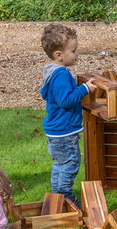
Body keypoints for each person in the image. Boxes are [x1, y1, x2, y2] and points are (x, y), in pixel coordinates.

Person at [40, 23, 97, 208]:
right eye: (73, 51)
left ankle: (56, 199)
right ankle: (66, 197)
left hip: (56, 132)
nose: (76, 54)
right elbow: (66, 100)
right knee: (70, 165)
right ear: (59, 55)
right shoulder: (61, 75)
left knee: (59, 165)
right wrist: (85, 88)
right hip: (65, 133)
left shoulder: (52, 72)